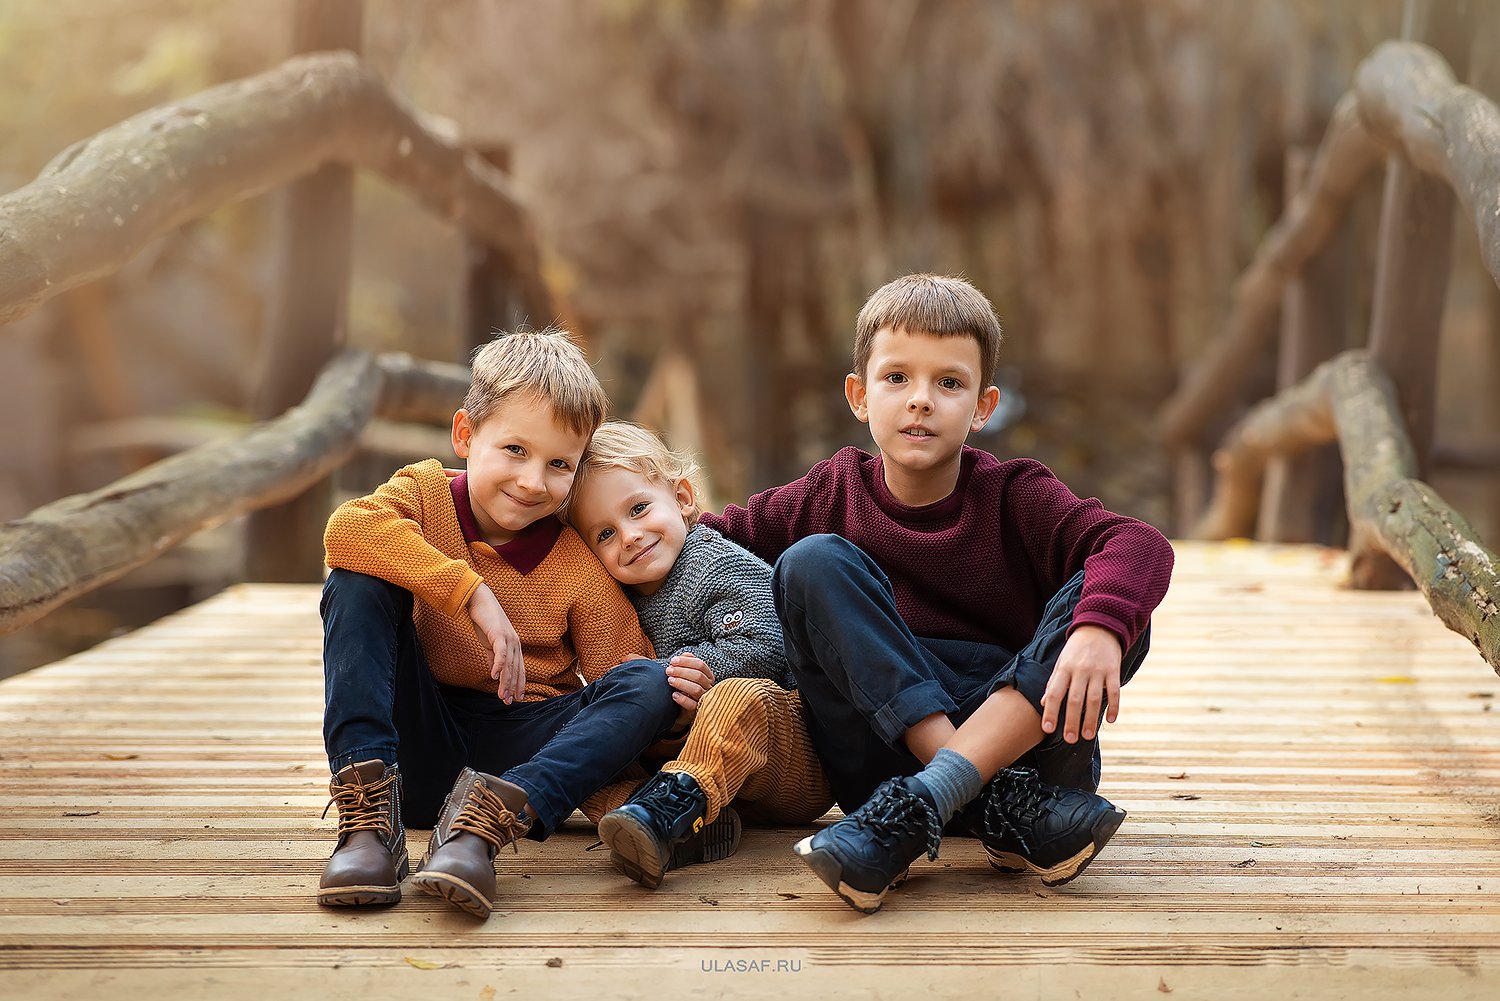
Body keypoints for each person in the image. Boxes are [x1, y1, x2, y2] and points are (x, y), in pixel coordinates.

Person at [697, 274, 1175, 913]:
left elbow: (1139, 542)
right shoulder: (829, 493)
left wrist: (1097, 629)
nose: (920, 401)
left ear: (983, 405)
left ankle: (923, 805)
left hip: (1025, 750)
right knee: (813, 563)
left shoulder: (1016, 495)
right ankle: (983, 802)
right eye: (897, 378)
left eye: (949, 383)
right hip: (886, 760)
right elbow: (700, 543)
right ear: (859, 395)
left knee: (1114, 602)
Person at [316, 327, 712, 919]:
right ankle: (368, 824)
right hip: (413, 738)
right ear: (464, 436)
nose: (533, 482)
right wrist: (470, 592)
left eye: (559, 465)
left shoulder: (578, 563)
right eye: (515, 451)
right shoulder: (423, 494)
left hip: (519, 760)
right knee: (357, 578)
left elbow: (620, 688)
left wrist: (674, 720)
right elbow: (346, 530)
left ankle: (481, 833)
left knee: (649, 680)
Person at [563, 421, 833, 890]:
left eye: (639, 509)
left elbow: (768, 644)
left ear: (684, 498)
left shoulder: (715, 562)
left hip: (788, 755)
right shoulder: (617, 600)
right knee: (584, 735)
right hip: (705, 776)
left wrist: (689, 670)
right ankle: (646, 819)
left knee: (737, 697)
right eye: (604, 534)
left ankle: (666, 808)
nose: (628, 536)